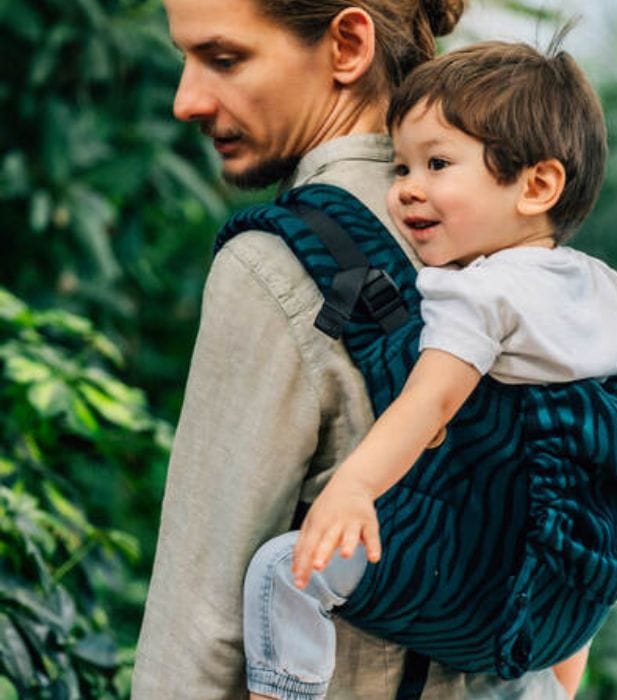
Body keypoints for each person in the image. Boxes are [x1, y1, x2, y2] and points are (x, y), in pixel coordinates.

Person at [242, 36, 617, 700]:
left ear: (538, 184)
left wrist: (351, 490)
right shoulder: (609, 292)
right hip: (564, 597)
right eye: (400, 168)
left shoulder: (478, 296)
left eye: (437, 163)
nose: (406, 190)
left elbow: (428, 404)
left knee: (283, 571)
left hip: (469, 579)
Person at [133, 0, 571, 698]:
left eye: (223, 59)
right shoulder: (520, 235)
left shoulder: (275, 265)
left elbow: (199, 624)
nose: (187, 100)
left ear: (346, 44)